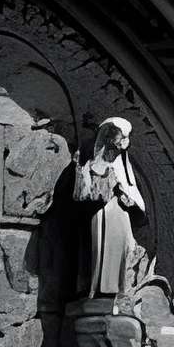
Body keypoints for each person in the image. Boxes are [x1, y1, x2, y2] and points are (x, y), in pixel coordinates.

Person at [72, 114, 148, 300]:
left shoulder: (122, 163)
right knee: (103, 249)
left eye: (123, 139)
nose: (120, 145)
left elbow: (130, 188)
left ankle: (120, 287)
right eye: (118, 138)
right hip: (103, 213)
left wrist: (127, 197)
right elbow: (85, 193)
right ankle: (102, 290)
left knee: (125, 246)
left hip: (119, 211)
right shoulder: (91, 164)